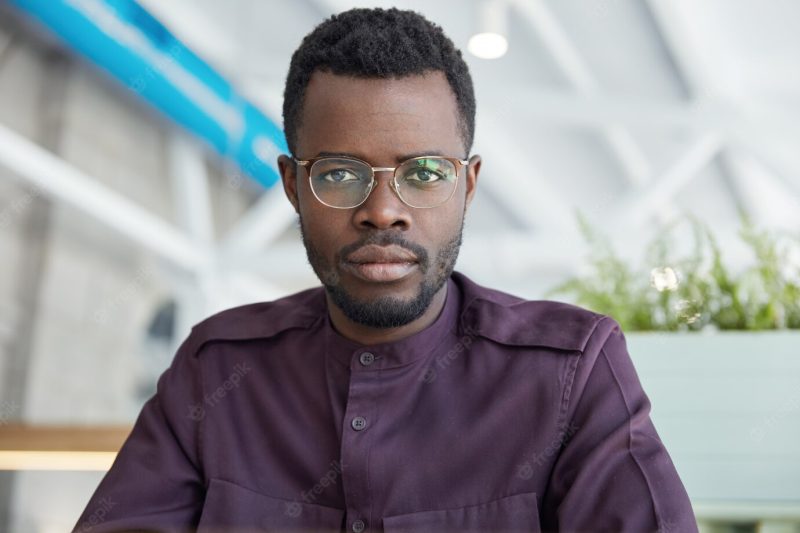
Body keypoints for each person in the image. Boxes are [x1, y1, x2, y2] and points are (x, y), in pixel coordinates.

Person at [74, 7, 697, 533]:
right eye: (340, 173)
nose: (382, 212)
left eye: (424, 173)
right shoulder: (215, 369)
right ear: (292, 185)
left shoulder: (571, 372)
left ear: (468, 185)